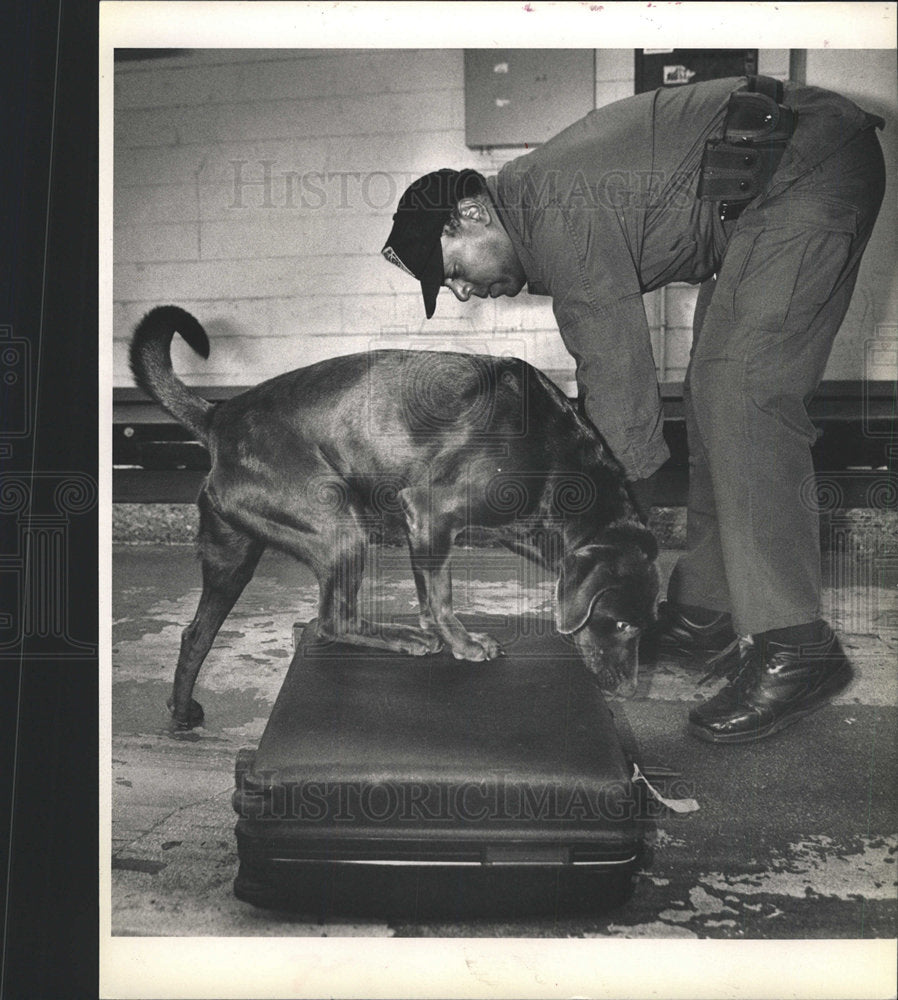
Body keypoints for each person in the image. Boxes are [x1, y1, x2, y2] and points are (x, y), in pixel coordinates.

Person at [381, 75, 886, 744]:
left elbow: (620, 391)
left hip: (807, 169)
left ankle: (797, 647)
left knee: (741, 389)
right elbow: (614, 390)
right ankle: (707, 613)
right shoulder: (543, 205)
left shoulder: (555, 206)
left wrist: (602, 532)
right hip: (767, 194)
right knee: (714, 397)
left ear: (472, 213)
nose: (464, 294)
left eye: (450, 272)